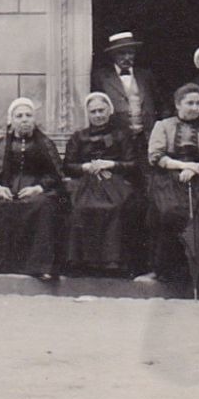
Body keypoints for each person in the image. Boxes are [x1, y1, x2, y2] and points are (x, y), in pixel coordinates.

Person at [144, 84, 199, 286]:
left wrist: (196, 169)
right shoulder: (163, 126)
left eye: (198, 103)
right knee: (170, 212)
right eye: (189, 103)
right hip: (169, 179)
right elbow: (155, 156)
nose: (194, 107)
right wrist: (183, 166)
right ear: (177, 104)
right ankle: (169, 270)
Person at [0, 98, 65, 279]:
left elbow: (56, 174)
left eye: (28, 115)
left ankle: (40, 266)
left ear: (34, 119)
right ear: (11, 120)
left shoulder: (45, 143)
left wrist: (39, 188)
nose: (24, 120)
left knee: (42, 206)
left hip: (37, 190)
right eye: (19, 116)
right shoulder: (1, 144)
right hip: (7, 188)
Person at [62, 91, 140, 275]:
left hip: (115, 181)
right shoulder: (78, 137)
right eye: (93, 112)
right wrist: (86, 166)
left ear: (109, 111)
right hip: (86, 182)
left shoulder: (122, 135)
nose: (98, 115)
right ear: (88, 114)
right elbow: (68, 165)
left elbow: (133, 163)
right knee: (80, 207)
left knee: (116, 208)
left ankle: (113, 262)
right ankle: (82, 262)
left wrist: (111, 164)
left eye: (101, 111)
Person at [91, 31, 162, 154]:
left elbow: (159, 102)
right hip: (117, 139)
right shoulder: (102, 77)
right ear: (113, 55)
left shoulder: (145, 75)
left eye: (130, 53)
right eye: (122, 53)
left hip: (146, 137)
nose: (127, 57)